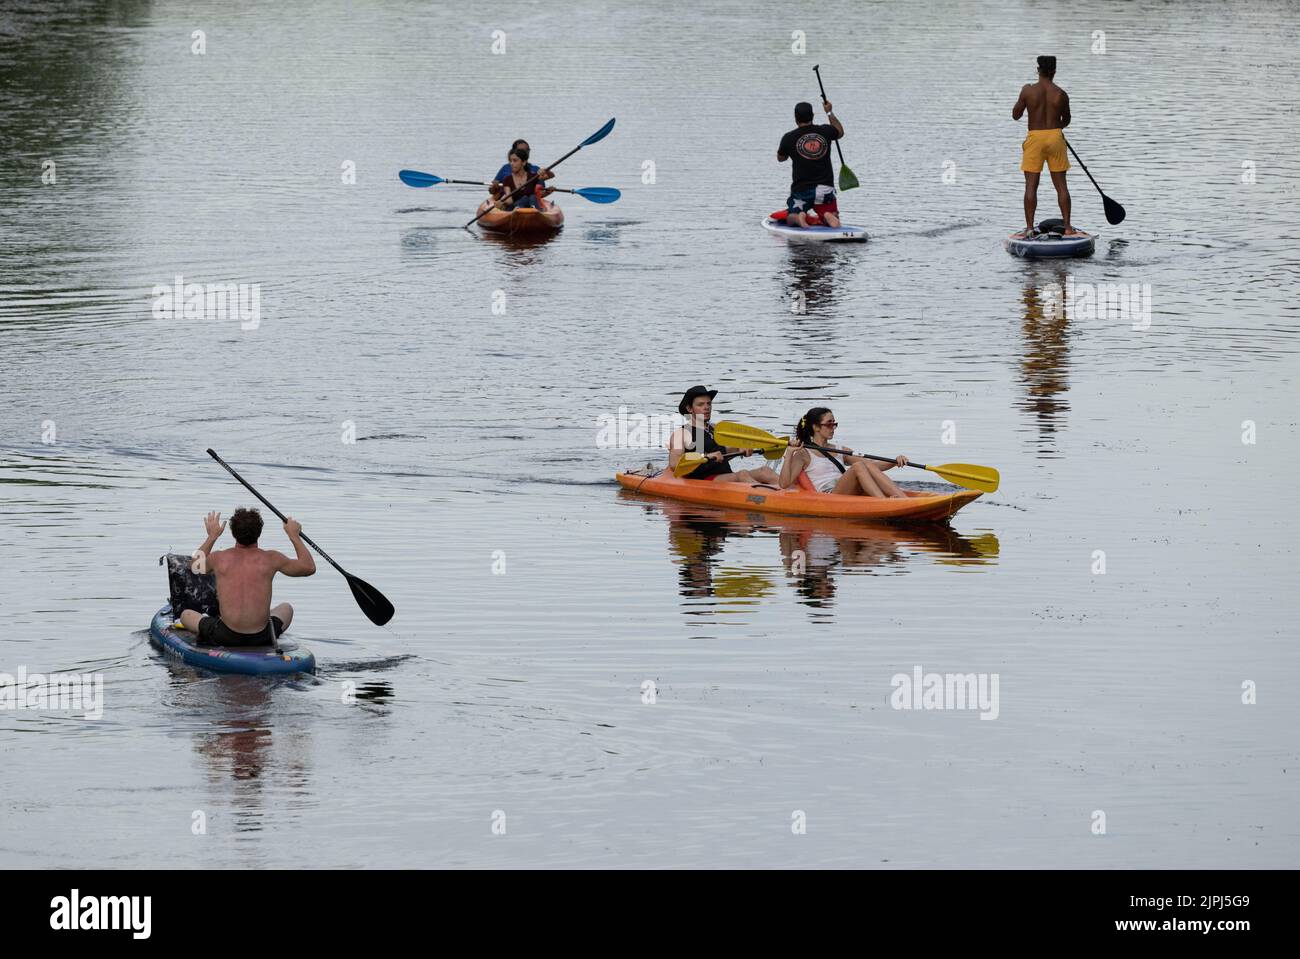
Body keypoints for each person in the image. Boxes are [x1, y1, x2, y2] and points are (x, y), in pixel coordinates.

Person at [178, 507, 315, 647]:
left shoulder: (219, 558)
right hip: (262, 636)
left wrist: (212, 536)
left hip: (226, 635)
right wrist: (294, 535)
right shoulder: (272, 558)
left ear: (233, 532)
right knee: (287, 608)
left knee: (186, 615)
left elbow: (194, 566)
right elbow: (308, 567)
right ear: (259, 532)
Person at [1012, 56, 1083, 238]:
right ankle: (1067, 227)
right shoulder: (1060, 94)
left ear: (1038, 70)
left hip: (1035, 138)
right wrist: (1055, 128)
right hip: (1055, 137)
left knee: (1031, 186)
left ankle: (1029, 228)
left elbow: (1016, 115)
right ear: (1054, 72)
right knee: (1061, 186)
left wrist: (1025, 102)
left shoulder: (1028, 91)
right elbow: (1066, 120)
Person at [778, 407, 909, 498]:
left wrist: (894, 461)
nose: (833, 428)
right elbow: (784, 484)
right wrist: (789, 453)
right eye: (829, 424)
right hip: (828, 495)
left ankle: (904, 499)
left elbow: (872, 465)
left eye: (834, 424)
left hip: (847, 489)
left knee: (865, 465)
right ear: (816, 427)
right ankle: (883, 502)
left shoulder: (840, 449)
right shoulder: (803, 454)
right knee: (858, 466)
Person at [667, 385, 781, 486]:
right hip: (703, 481)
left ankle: (791, 492)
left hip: (726, 477)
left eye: (709, 403)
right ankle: (773, 498)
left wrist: (739, 448)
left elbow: (724, 452)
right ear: (689, 409)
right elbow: (674, 464)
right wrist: (706, 456)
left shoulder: (716, 429)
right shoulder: (680, 434)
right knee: (742, 474)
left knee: (765, 471)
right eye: (701, 404)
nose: (706, 407)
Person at [777, 100, 845, 228]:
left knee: (791, 216)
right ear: (812, 116)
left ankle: (798, 216)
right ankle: (828, 215)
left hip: (801, 191)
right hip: (824, 189)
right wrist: (829, 112)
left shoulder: (788, 137)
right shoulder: (825, 131)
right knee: (829, 213)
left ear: (796, 118)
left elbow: (781, 158)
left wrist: (788, 150)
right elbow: (840, 132)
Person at [489, 141, 553, 209]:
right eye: (522, 150)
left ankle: (532, 209)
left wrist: (546, 171)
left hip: (531, 202)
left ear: (524, 162)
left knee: (530, 197)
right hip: (514, 204)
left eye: (527, 150)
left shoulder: (534, 173)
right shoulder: (507, 176)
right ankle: (518, 207)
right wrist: (501, 201)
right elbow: (498, 194)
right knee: (523, 199)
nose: (526, 152)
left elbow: (549, 176)